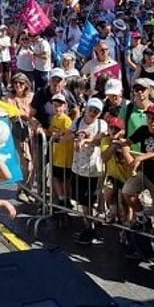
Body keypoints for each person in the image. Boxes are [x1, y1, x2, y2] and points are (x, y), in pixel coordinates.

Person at [121, 104, 154, 261]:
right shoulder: (143, 130)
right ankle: (143, 216)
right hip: (146, 173)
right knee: (127, 191)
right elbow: (126, 142)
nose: (151, 120)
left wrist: (140, 157)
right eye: (149, 117)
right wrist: (128, 155)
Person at [69, 98, 109, 245]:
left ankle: (91, 226)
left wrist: (86, 140)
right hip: (78, 166)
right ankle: (88, 224)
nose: (93, 113)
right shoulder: (79, 121)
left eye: (96, 111)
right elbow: (71, 133)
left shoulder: (101, 124)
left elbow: (100, 140)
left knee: (90, 199)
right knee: (81, 197)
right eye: (91, 109)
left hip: (94, 168)